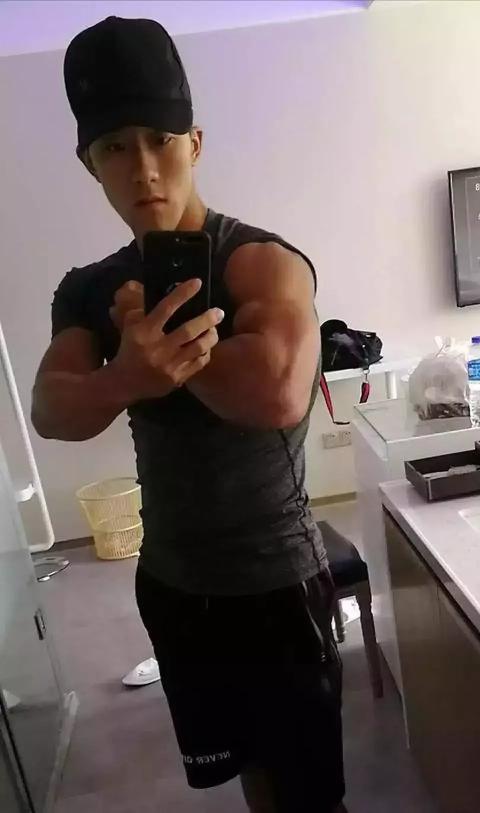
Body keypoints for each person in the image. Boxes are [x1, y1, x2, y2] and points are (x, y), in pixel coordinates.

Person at [32, 17, 346, 813]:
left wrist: (168, 352)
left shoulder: (262, 262)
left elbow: (278, 393)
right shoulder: (89, 289)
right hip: (174, 584)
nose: (143, 168)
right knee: (251, 777)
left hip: (276, 582)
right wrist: (126, 376)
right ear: (90, 164)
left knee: (313, 796)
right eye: (115, 147)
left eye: (160, 139)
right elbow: (51, 407)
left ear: (195, 143)